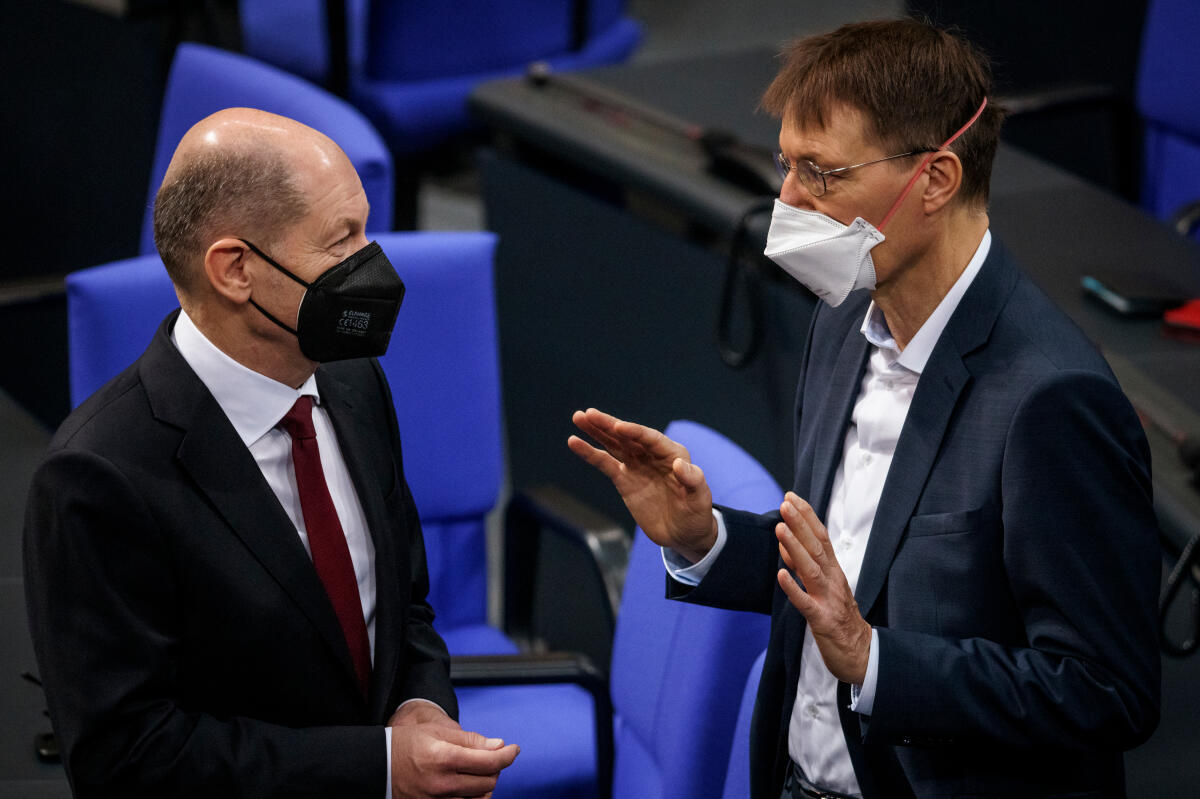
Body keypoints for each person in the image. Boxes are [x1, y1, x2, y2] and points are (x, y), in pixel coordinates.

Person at [569, 19, 1160, 799]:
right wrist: (705, 538)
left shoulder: (1052, 399)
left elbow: (1103, 689)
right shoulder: (844, 317)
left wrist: (875, 660)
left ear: (937, 179)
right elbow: (847, 576)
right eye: (786, 164)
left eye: (821, 173)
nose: (786, 199)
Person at [23, 108, 519, 798]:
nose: (371, 264)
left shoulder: (351, 380)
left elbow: (405, 606)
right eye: (341, 240)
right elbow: (126, 758)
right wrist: (377, 768)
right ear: (235, 269)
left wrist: (422, 705)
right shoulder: (97, 476)